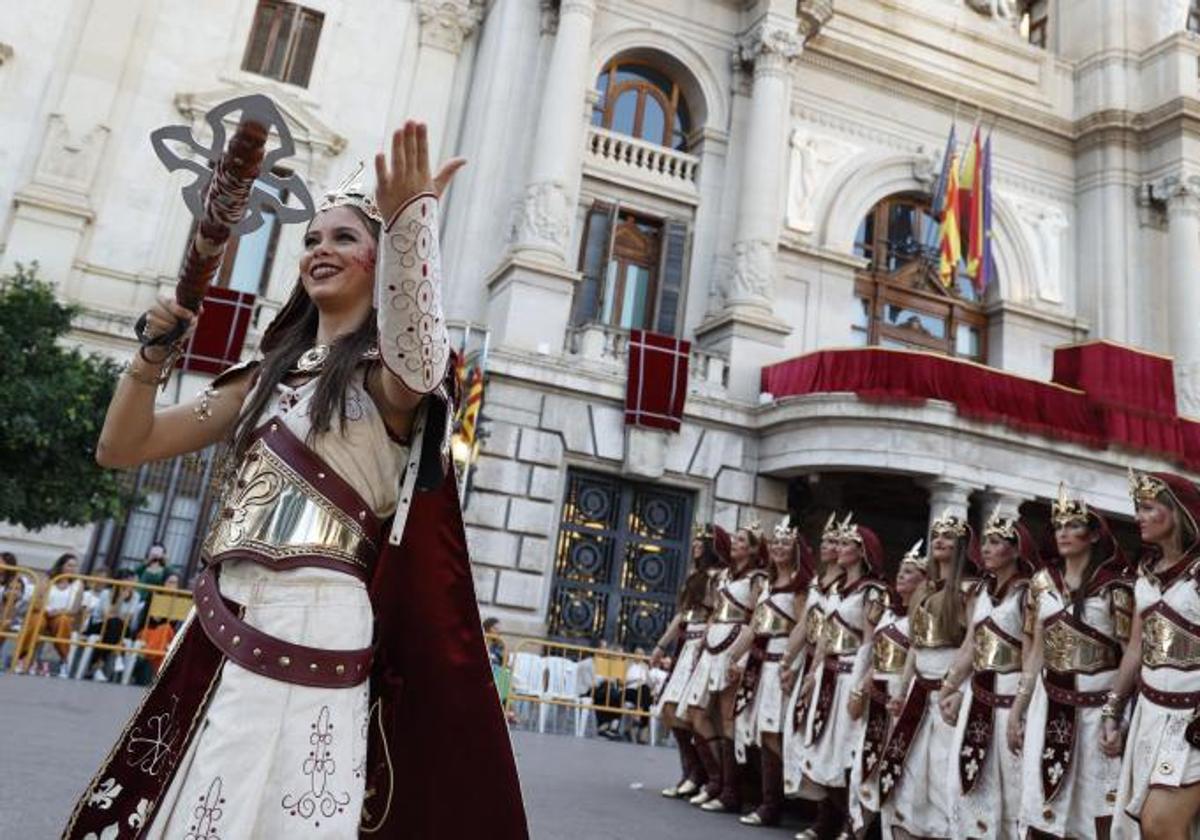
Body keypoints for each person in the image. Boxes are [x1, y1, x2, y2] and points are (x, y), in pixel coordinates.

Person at [63, 120, 526, 839]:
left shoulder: (386, 378)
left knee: (287, 811)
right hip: (223, 613)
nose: (320, 250)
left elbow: (421, 356)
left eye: (343, 238)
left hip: (319, 611)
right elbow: (123, 447)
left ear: (379, 261)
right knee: (191, 806)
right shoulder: (262, 380)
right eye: (310, 239)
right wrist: (153, 354)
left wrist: (411, 227)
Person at [1009, 486, 1130, 840]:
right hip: (1049, 708)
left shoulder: (1115, 588)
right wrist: (1019, 708)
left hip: (1097, 713)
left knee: (1097, 810)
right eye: (1058, 525)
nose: (1062, 532)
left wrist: (1116, 714)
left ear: (1094, 535)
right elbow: (1035, 654)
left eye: (1072, 525)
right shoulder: (1041, 583)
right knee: (1043, 808)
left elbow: (1129, 656)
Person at [939, 512, 1039, 840]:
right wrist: (950, 685)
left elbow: (1029, 656)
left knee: (1010, 785)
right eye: (984, 542)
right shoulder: (980, 591)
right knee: (963, 781)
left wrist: (1021, 711)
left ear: (1015, 550)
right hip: (977, 694)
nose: (986, 548)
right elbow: (971, 644)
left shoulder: (1027, 594)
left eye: (995, 542)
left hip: (1009, 696)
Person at [1112, 471, 1200, 839]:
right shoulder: (1144, 574)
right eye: (1137, 509)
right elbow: (1135, 647)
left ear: (1176, 512)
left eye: (1147, 507)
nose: (1138, 517)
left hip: (1192, 717)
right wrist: (1112, 709)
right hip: (1149, 713)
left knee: (1160, 822)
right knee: (1150, 830)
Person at [878, 511, 977, 840]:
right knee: (908, 770)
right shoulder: (923, 590)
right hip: (918, 693)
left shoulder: (969, 590)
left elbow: (972, 645)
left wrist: (959, 689)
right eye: (937, 535)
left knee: (941, 774)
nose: (939, 541)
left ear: (962, 546)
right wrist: (902, 690)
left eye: (948, 537)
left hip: (947, 695)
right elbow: (914, 649)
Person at [795, 520, 887, 840]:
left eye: (848, 544)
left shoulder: (872, 592)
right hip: (828, 674)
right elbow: (825, 637)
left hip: (850, 675)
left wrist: (862, 684)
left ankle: (852, 824)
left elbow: (870, 642)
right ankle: (827, 820)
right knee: (822, 748)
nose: (840, 549)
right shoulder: (836, 589)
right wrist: (812, 673)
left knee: (846, 750)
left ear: (862, 552)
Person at [729, 518, 813, 827]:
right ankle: (767, 799)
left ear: (796, 550)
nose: (778, 547)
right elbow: (753, 627)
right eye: (775, 543)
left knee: (775, 732)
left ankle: (777, 803)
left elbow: (803, 627)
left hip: (782, 662)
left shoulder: (800, 586)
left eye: (785, 544)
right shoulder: (765, 583)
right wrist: (733, 658)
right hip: (761, 662)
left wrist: (789, 664)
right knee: (762, 732)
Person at [683, 522, 769, 812]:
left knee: (726, 716)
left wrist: (743, 657)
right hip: (713, 641)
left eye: (741, 540)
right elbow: (714, 610)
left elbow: (757, 619)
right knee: (696, 712)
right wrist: (702, 640)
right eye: (734, 538)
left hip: (735, 642)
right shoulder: (723, 575)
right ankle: (716, 779)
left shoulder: (758, 578)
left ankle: (731, 791)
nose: (734, 543)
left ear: (754, 548)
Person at [849, 540, 927, 839]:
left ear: (923, 579)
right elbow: (876, 654)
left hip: (900, 694)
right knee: (866, 764)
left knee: (893, 766)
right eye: (900, 571)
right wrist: (861, 687)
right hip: (878, 692)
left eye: (909, 572)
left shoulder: (920, 617)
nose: (901, 576)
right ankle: (858, 828)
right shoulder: (890, 612)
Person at [652, 523, 725, 799]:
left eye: (702, 541)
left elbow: (720, 611)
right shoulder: (694, 574)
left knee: (693, 713)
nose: (695, 545)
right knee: (670, 709)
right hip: (685, 643)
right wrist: (661, 645)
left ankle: (711, 778)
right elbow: (681, 614)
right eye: (694, 540)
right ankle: (691, 773)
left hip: (702, 645)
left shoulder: (717, 577)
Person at [783, 513, 849, 799]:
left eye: (834, 541)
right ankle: (800, 796)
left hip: (830, 665)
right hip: (808, 659)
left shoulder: (847, 587)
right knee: (794, 728)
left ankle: (824, 810)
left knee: (821, 733)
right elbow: (803, 625)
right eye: (824, 540)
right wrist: (787, 661)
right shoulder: (815, 582)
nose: (826, 545)